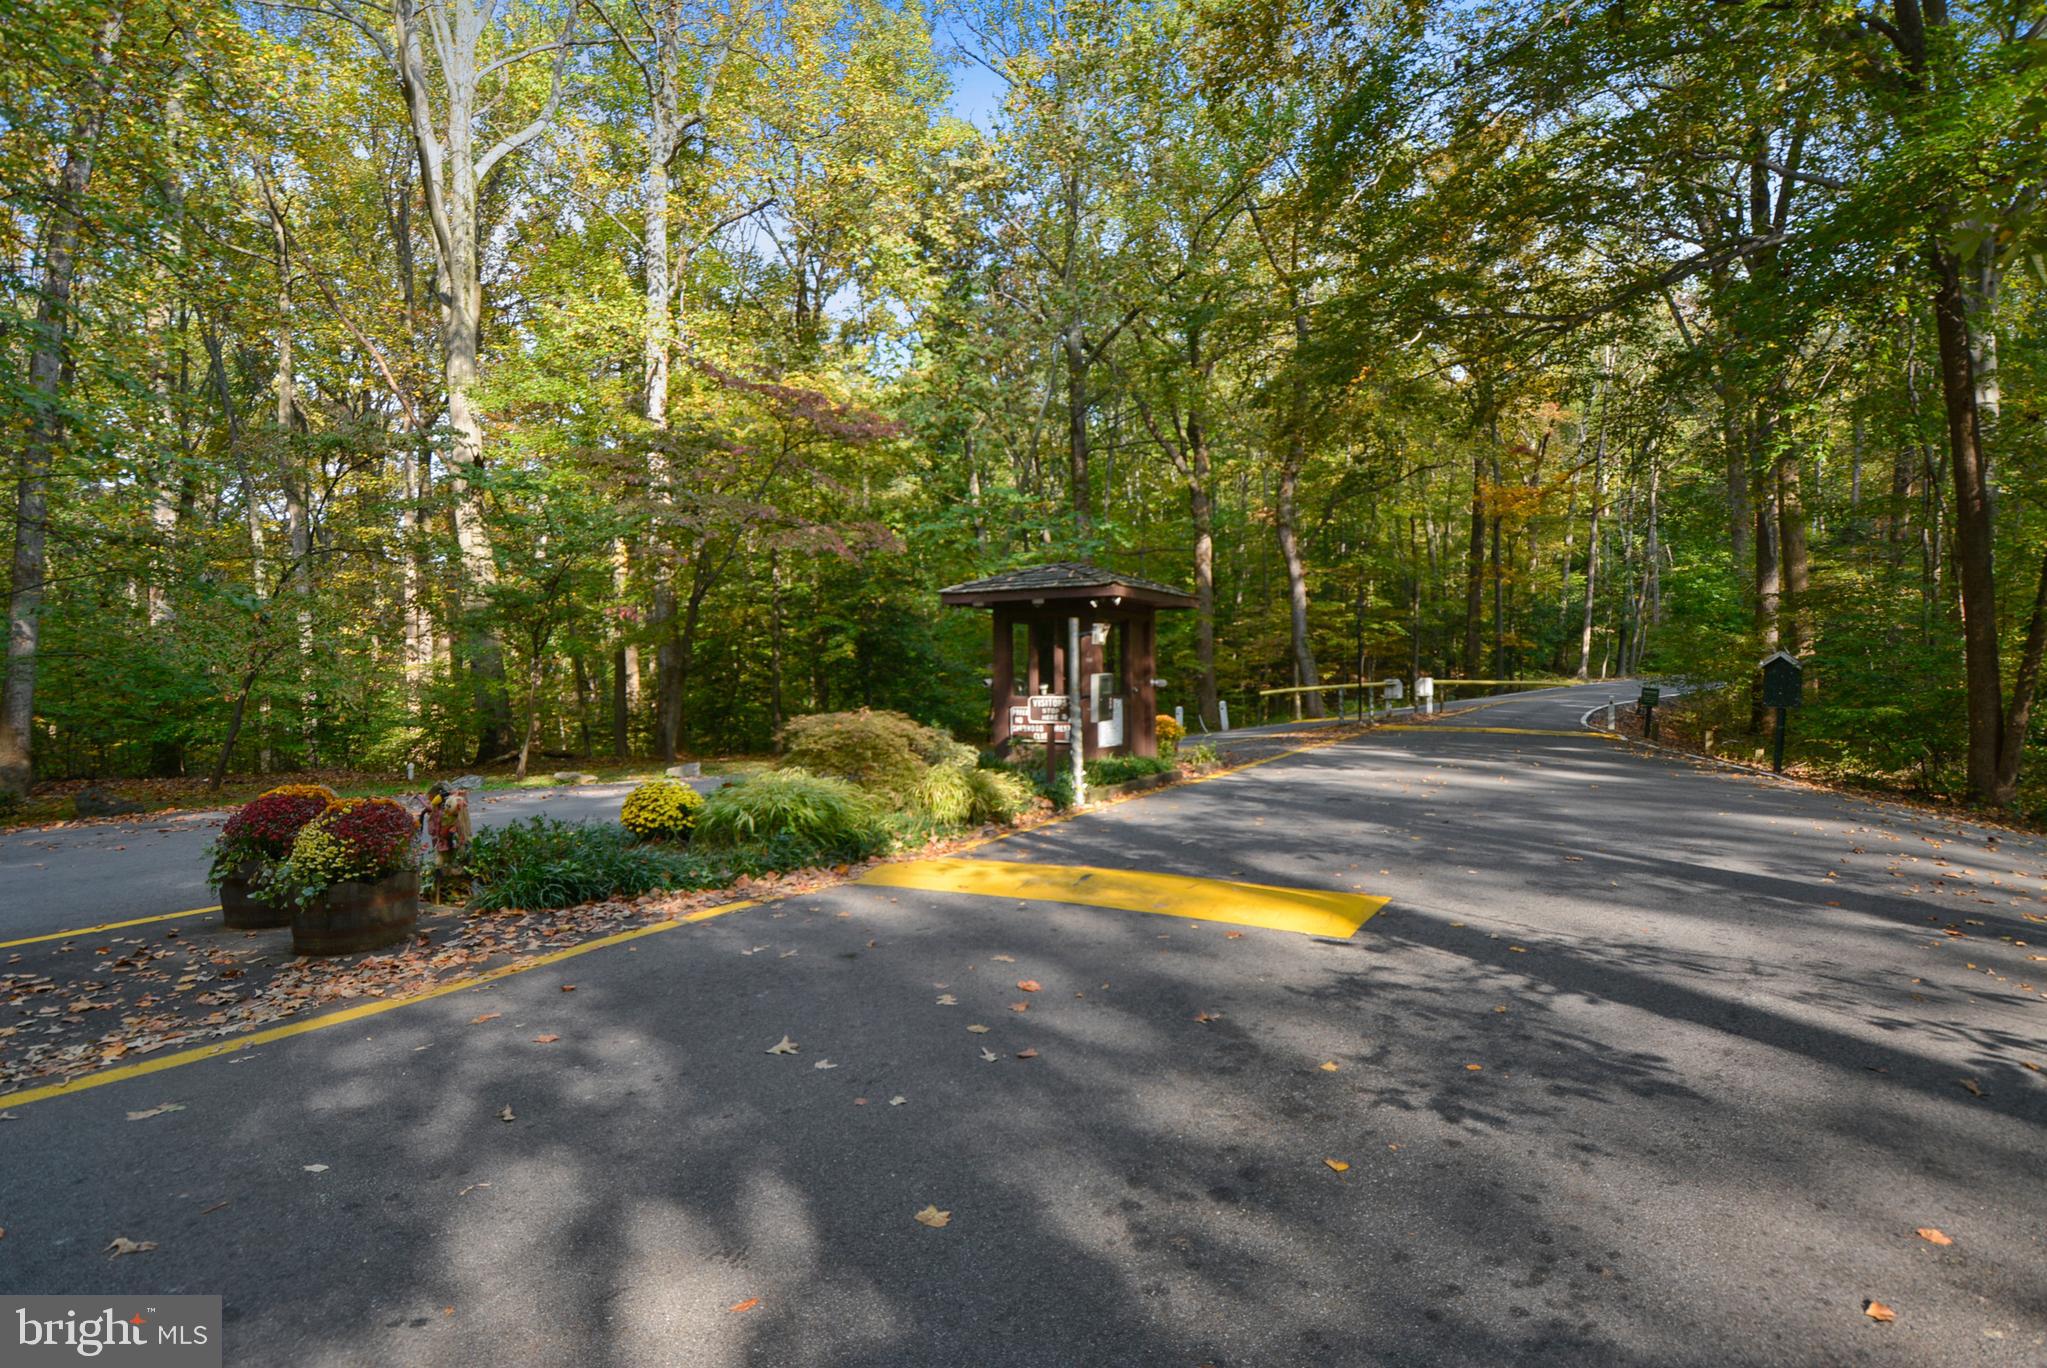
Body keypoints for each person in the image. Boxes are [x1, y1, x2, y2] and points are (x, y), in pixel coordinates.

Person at [421, 782, 472, 900]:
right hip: (448, 843)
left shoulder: (449, 814)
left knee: (446, 863)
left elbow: (435, 830)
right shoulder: (447, 813)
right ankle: (451, 886)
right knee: (448, 861)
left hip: (451, 842)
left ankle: (449, 885)